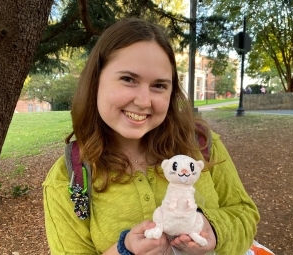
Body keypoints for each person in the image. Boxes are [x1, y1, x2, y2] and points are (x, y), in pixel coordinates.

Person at [43, 18, 260, 255]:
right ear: (96, 81)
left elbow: (244, 213)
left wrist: (214, 230)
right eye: (128, 79)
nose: (144, 101)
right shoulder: (68, 177)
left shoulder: (200, 144)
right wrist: (124, 250)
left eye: (159, 86)